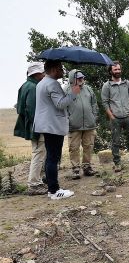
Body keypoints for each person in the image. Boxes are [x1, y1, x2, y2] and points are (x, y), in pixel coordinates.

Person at [33, 60, 80, 200]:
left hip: (46, 125)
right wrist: (73, 93)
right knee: (53, 157)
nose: (62, 71)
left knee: (50, 157)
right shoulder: (52, 83)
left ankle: (52, 189)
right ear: (53, 69)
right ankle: (54, 190)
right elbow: (60, 104)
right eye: (60, 68)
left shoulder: (41, 83)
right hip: (53, 125)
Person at [13, 62, 48, 195]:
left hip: (31, 125)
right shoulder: (33, 87)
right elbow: (34, 111)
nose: (44, 75)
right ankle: (34, 184)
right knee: (39, 154)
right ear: (37, 74)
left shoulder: (24, 86)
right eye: (42, 73)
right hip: (37, 127)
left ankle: (37, 181)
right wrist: (41, 126)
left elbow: (20, 107)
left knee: (37, 153)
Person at [66, 69, 98, 179]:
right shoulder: (67, 90)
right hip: (74, 125)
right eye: (78, 78)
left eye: (82, 77)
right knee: (74, 147)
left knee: (88, 146)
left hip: (89, 124)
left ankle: (87, 167)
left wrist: (94, 116)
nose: (81, 80)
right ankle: (75, 169)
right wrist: (68, 120)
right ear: (72, 79)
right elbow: (63, 107)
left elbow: (94, 104)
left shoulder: (88, 89)